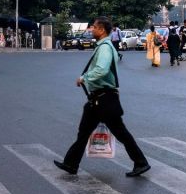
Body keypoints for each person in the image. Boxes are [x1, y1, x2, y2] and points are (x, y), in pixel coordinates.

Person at [54, 16, 150, 178]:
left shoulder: (105, 48)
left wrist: (84, 78)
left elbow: (102, 69)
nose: (92, 29)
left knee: (121, 132)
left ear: (102, 30)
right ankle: (71, 163)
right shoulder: (102, 46)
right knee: (83, 132)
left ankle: (141, 162)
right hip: (97, 99)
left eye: (94, 27)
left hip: (105, 99)